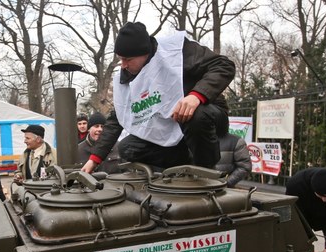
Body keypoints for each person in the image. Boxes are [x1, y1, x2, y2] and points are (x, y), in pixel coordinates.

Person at [82, 22, 235, 173]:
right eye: (121, 59)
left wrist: (196, 95)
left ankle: (206, 171)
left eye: (127, 59)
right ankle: (185, 163)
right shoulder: (127, 78)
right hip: (169, 130)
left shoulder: (177, 52)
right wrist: (94, 159)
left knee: (196, 115)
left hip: (207, 117)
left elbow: (224, 65)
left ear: (145, 53)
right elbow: (118, 119)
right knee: (127, 147)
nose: (123, 65)